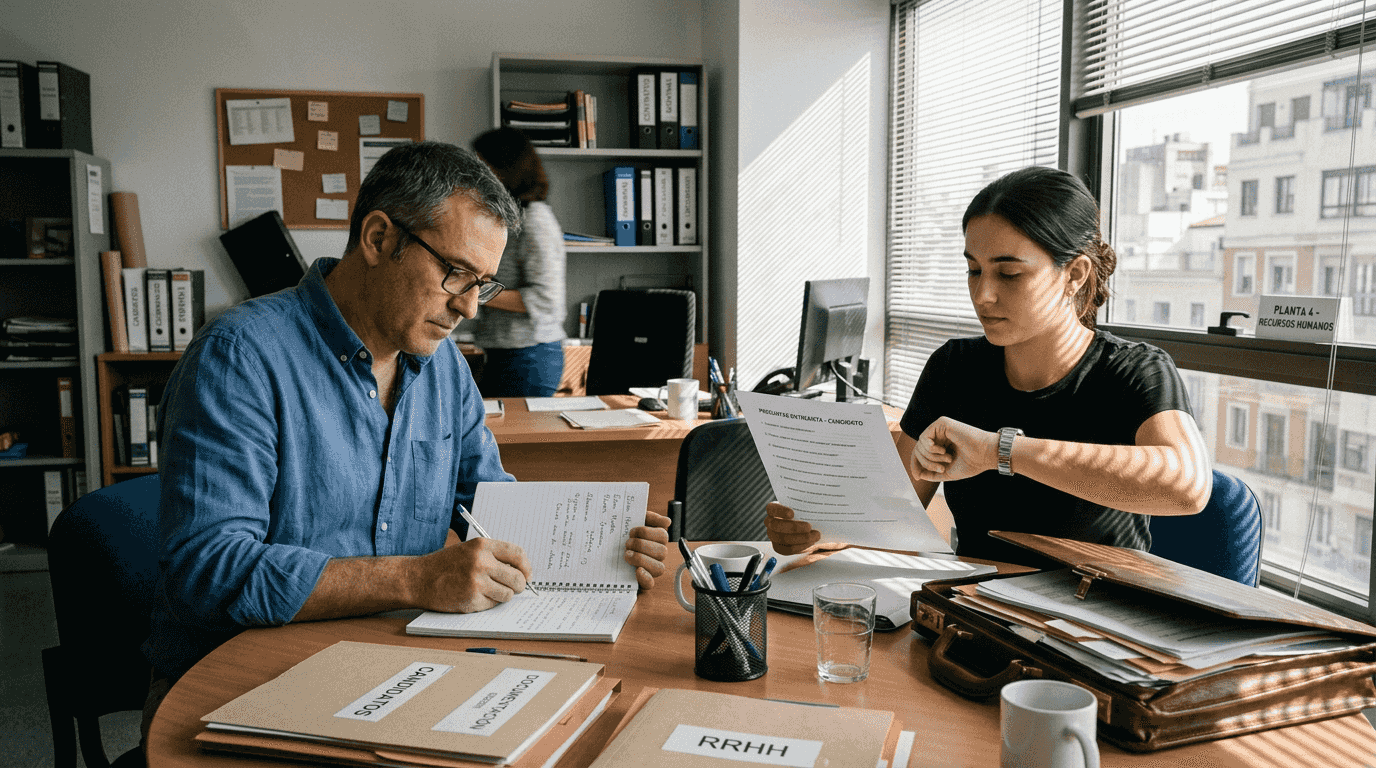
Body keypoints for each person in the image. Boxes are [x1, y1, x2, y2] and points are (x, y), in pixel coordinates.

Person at [143, 141, 670, 699]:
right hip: (243, 679)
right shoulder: (239, 358)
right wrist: (415, 579)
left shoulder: (443, 368)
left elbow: (490, 508)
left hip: (394, 668)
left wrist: (600, 555)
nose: (470, 308)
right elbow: (210, 568)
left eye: (484, 284)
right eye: (457, 273)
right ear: (378, 239)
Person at [766, 166, 1211, 567]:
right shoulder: (954, 368)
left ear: (1074, 274)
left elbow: (1187, 485)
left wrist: (1001, 451)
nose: (983, 295)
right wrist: (823, 530)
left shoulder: (1133, 371)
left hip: (1093, 620)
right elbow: (887, 514)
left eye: (1009, 274)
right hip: (976, 611)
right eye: (974, 270)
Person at [468, 127, 567, 397]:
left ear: (504, 168)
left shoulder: (535, 222)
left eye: (482, 165)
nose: (476, 174)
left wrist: (477, 290)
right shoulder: (510, 219)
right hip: (504, 352)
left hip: (529, 357)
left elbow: (547, 299)